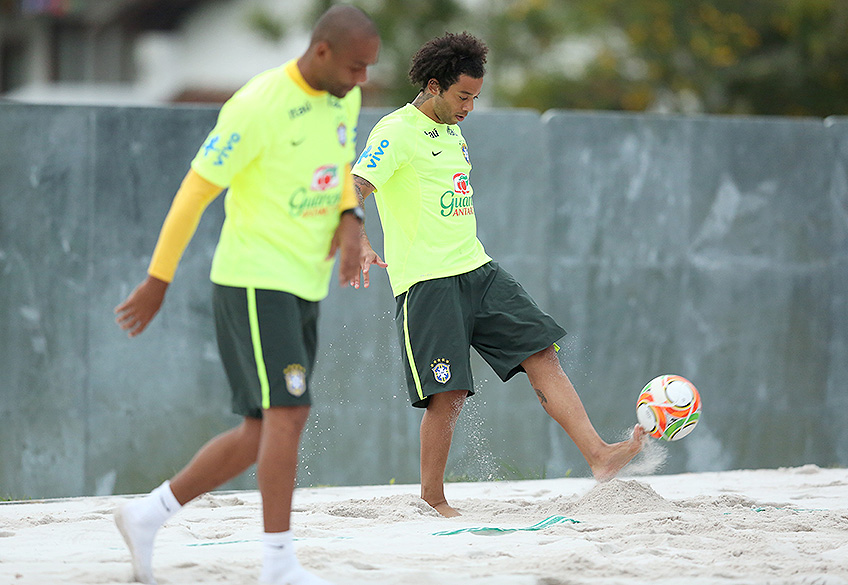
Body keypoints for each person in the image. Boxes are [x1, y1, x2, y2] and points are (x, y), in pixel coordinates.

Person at [112, 6, 379, 585]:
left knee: (261, 430)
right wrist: (159, 279)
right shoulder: (258, 105)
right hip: (256, 281)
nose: (363, 81)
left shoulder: (343, 98)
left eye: (369, 70)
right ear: (323, 51)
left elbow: (337, 165)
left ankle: (146, 515)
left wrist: (352, 220)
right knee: (291, 411)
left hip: (304, 281)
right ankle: (279, 566)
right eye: (356, 67)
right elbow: (194, 191)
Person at [350, 32, 644, 518]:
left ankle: (600, 456)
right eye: (463, 96)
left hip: (478, 270)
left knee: (541, 352)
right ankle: (433, 498)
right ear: (433, 85)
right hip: (428, 284)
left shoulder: (451, 129)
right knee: (448, 397)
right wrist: (356, 236)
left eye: (476, 98)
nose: (469, 107)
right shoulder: (395, 131)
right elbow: (356, 184)